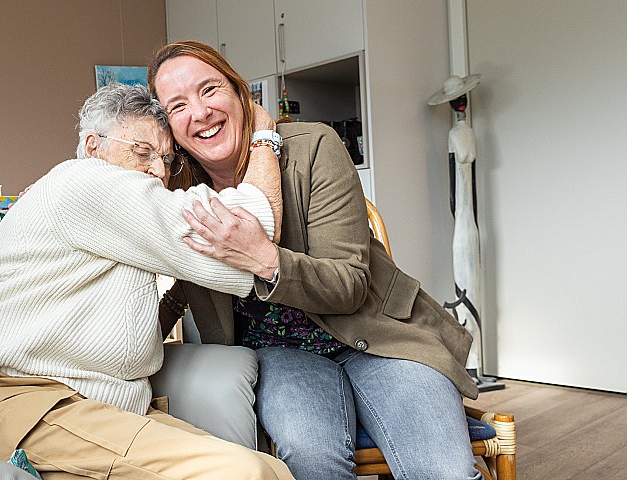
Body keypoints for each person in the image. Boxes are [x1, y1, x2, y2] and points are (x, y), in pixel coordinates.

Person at [148, 41, 483, 480]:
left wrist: (265, 259)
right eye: (178, 106)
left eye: (209, 89)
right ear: (170, 128)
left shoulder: (312, 147)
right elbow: (183, 282)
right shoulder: (178, 195)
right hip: (281, 354)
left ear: (238, 91)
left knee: (445, 473)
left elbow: (348, 285)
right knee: (311, 459)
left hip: (379, 335)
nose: (200, 112)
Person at [0, 82, 294, 480]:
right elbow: (249, 231)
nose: (157, 170)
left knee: (268, 469)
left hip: (83, 407)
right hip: (15, 403)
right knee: (245, 473)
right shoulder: (84, 182)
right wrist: (261, 133)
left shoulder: (86, 199)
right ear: (92, 146)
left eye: (167, 160)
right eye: (142, 153)